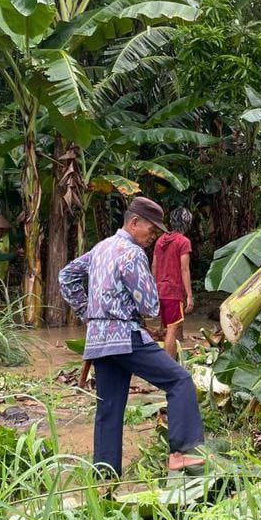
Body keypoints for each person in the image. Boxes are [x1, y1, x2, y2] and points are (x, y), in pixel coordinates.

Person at [58, 197, 204, 475]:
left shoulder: (101, 248)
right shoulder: (133, 253)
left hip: (99, 341)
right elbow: (149, 306)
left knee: (109, 411)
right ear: (134, 222)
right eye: (151, 229)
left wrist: (87, 313)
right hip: (125, 336)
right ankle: (181, 451)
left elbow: (66, 276)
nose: (154, 235)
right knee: (180, 381)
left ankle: (104, 477)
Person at [152, 206, 194, 360]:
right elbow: (184, 269)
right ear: (187, 223)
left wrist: (152, 289)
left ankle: (162, 361)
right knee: (171, 329)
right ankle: (170, 367)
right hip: (173, 291)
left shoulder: (160, 240)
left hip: (159, 289)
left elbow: (154, 266)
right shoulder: (183, 241)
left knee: (166, 326)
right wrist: (189, 295)